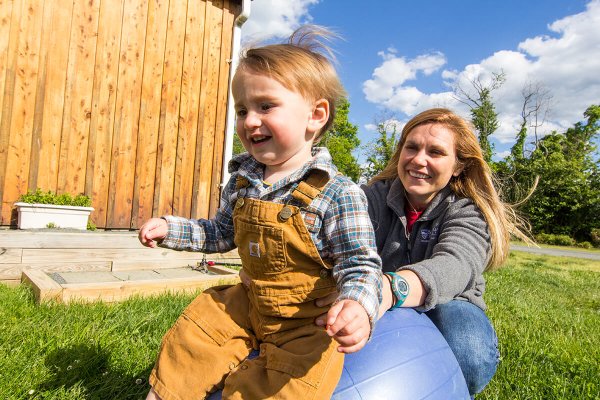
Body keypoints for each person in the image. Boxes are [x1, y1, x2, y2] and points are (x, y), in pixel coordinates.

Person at [138, 25, 382, 400]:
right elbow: (219, 233)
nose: (250, 120)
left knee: (288, 382)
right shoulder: (242, 181)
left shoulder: (338, 193)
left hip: (305, 321)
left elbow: (360, 262)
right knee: (199, 332)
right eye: (242, 110)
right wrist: (171, 229)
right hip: (249, 301)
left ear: (315, 115)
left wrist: (357, 305)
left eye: (266, 106)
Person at [311, 108, 532, 397]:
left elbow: (455, 265)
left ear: (458, 166)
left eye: (435, 152)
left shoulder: (468, 210)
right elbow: (328, 238)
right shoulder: (370, 197)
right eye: (412, 147)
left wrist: (388, 288)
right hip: (373, 295)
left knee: (470, 353)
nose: (418, 160)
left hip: (447, 302)